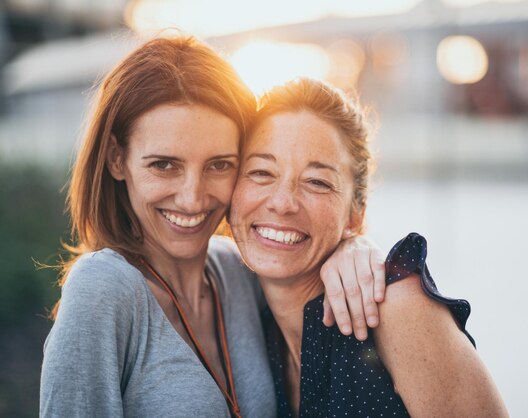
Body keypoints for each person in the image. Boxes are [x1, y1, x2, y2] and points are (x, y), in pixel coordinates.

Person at [40, 37, 388, 417]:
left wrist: (353, 245)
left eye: (219, 165)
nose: (192, 199)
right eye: (164, 165)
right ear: (116, 159)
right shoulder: (104, 289)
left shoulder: (239, 272)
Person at [229, 78, 510, 417]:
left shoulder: (396, 309)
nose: (283, 202)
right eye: (261, 172)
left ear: (355, 215)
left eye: (317, 182)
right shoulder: (244, 317)